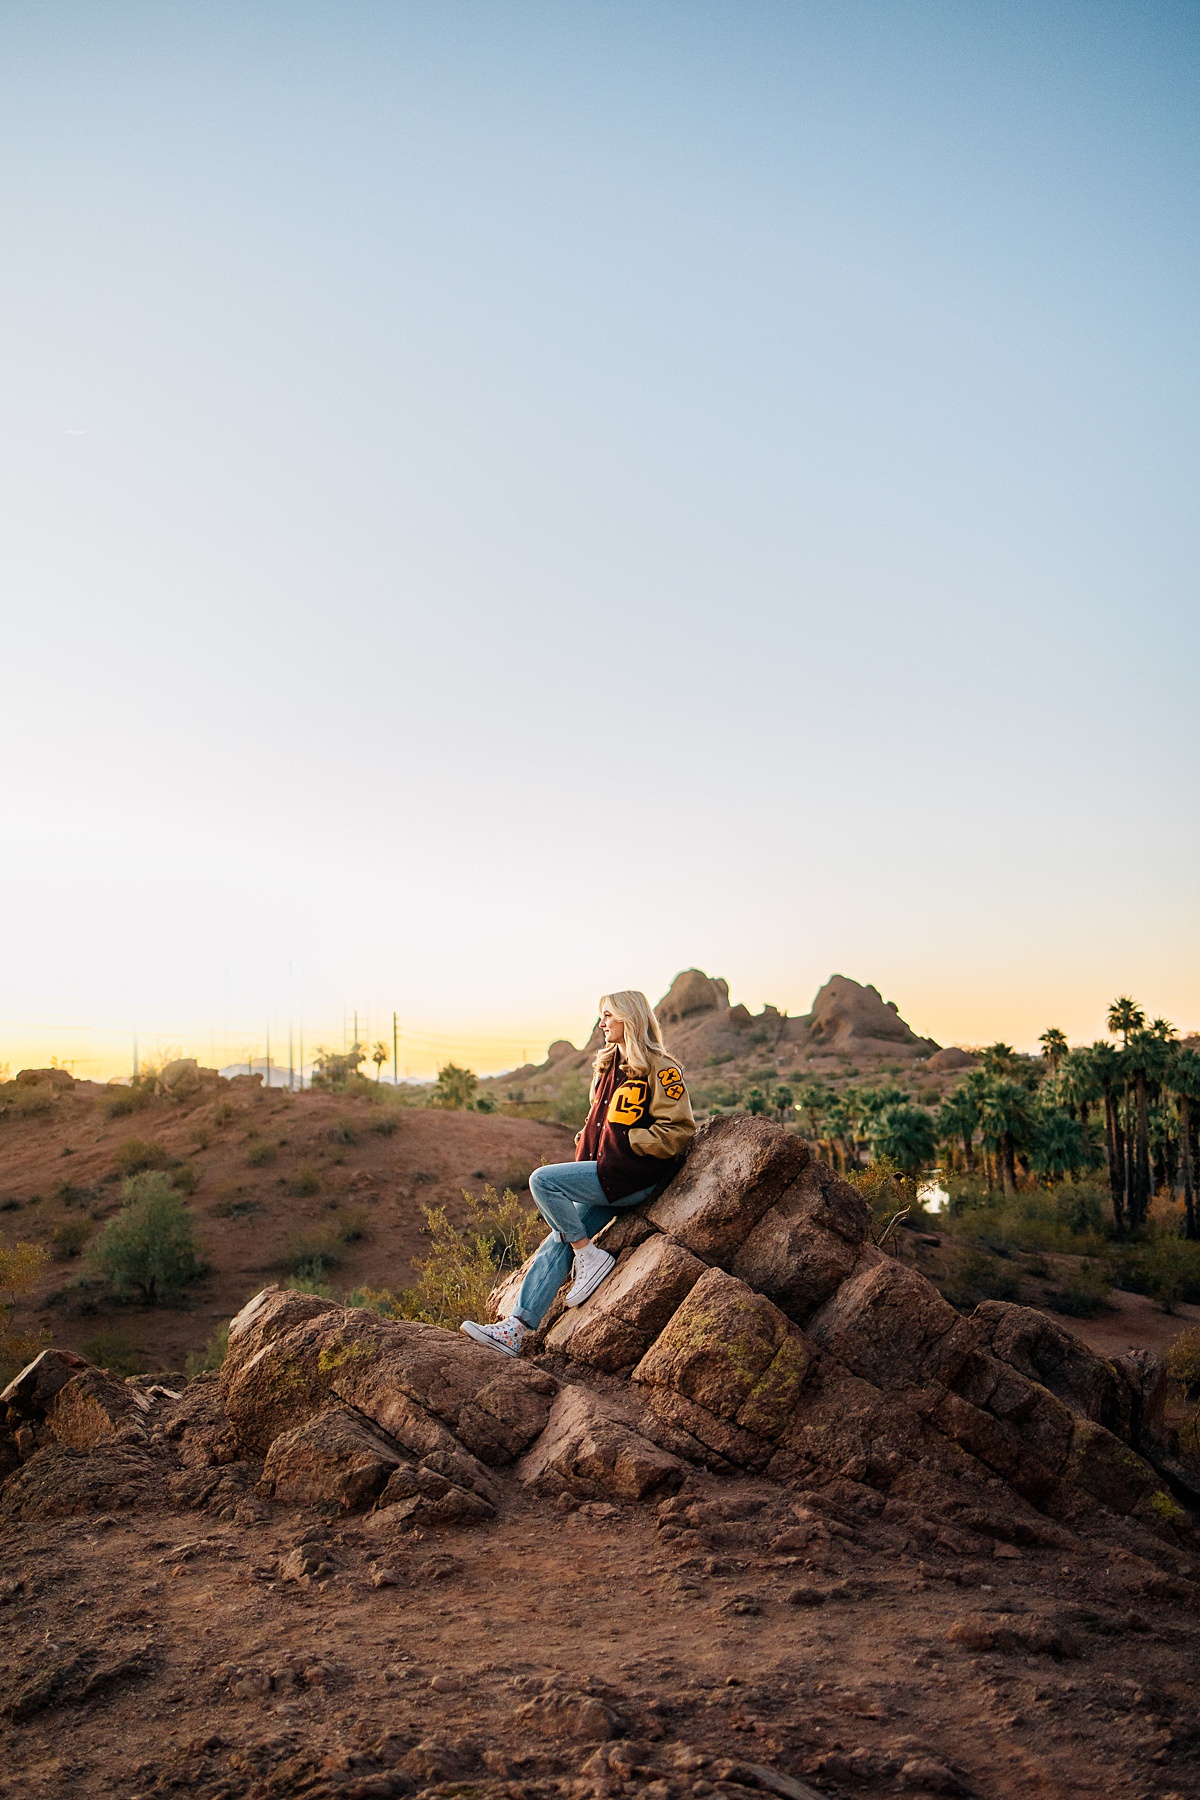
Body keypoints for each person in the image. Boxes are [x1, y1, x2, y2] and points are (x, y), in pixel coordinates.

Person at [460, 989, 695, 1356]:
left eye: (608, 1016)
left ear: (629, 1019)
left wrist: (629, 1145)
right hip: (607, 1176)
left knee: (542, 1180)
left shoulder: (661, 1068)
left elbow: (678, 1130)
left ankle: (589, 1257)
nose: (602, 1024)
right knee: (560, 1239)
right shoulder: (606, 1067)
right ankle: (515, 1330)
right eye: (601, 1016)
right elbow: (598, 1123)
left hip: (632, 1177)